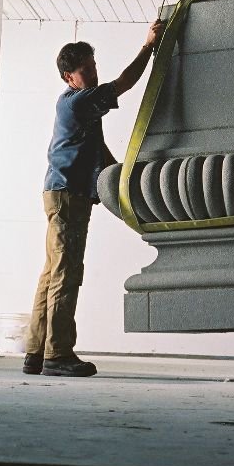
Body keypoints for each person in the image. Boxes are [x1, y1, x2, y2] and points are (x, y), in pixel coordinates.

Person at [23, 20, 163, 377]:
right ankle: (58, 356)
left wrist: (121, 175)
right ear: (69, 77)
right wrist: (148, 46)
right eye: (85, 70)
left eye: (93, 66)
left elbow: (96, 148)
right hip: (67, 195)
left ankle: (36, 353)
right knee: (66, 273)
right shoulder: (76, 102)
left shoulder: (83, 108)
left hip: (62, 193)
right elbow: (125, 84)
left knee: (52, 272)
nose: (93, 73)